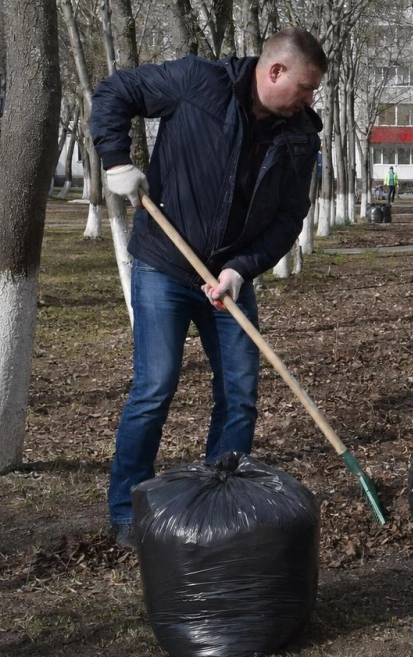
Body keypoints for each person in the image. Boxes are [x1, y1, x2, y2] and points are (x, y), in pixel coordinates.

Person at [90, 27, 326, 549]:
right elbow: (117, 92)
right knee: (155, 389)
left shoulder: (301, 135)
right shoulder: (201, 82)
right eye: (305, 89)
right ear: (275, 71)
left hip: (230, 280)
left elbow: (290, 216)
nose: (309, 102)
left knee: (239, 396)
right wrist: (116, 161)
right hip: (164, 266)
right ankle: (127, 512)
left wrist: (242, 269)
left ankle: (222, 504)